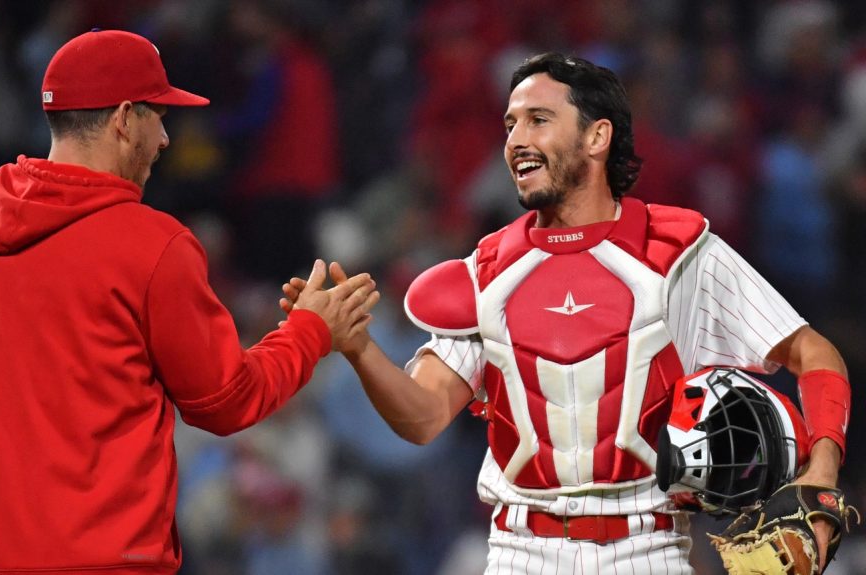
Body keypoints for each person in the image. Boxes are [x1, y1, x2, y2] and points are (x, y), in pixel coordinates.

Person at [283, 53, 850, 574]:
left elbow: (814, 353)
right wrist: (358, 348)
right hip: (518, 552)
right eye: (510, 125)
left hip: (648, 550)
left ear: (598, 135)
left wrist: (821, 474)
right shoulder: (485, 269)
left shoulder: (678, 252)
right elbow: (424, 417)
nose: (516, 140)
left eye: (538, 120)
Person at [0, 29, 378, 575]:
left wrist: (0, 513)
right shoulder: (152, 245)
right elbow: (226, 400)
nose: (167, 138)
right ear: (125, 118)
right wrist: (310, 331)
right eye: (159, 116)